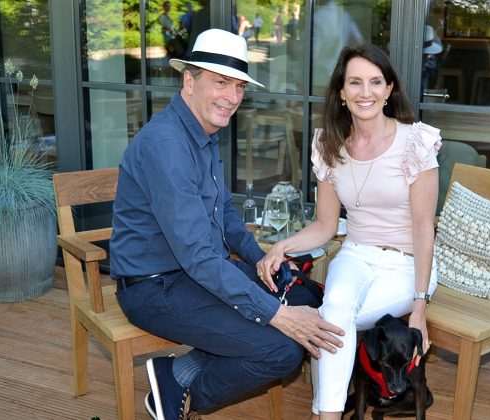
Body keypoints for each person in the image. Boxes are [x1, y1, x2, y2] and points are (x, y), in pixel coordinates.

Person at [110, 28, 344, 420]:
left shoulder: (203, 132)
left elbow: (226, 217)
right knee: (281, 348)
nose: (232, 97)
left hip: (194, 273)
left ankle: (177, 369)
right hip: (156, 287)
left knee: (304, 297)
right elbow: (199, 256)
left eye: (238, 86)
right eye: (221, 83)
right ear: (189, 81)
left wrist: (262, 259)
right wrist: (276, 315)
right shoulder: (167, 146)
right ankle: (181, 393)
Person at [257, 43, 441, 420]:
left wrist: (419, 308)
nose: (366, 92)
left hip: (408, 265)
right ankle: (329, 411)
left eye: (375, 82)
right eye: (355, 82)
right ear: (342, 92)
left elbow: (424, 229)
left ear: (389, 89)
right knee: (336, 311)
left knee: (330, 321)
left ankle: (324, 412)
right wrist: (282, 247)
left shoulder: (415, 143)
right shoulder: (329, 145)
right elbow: (325, 225)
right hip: (355, 254)